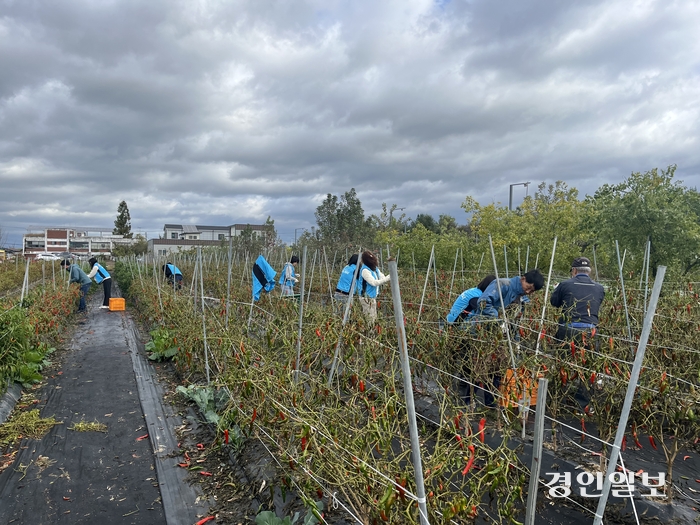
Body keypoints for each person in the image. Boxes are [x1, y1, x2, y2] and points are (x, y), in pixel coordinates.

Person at [467, 269, 544, 408]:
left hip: (502, 338)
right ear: (523, 279)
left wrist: (516, 342)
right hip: (485, 333)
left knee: (497, 370)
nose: (528, 292)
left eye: (532, 291)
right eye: (528, 287)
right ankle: (468, 401)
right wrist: (498, 319)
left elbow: (516, 322)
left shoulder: (522, 299)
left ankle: (490, 405)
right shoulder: (502, 284)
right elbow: (483, 303)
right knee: (479, 369)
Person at [550, 256, 605, 342]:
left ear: (574, 270)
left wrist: (557, 290)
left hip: (568, 328)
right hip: (591, 330)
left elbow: (554, 302)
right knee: (589, 355)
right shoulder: (599, 288)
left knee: (566, 353)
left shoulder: (565, 285)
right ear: (589, 272)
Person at [358, 251, 391, 323]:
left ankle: (372, 332)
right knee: (370, 318)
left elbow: (381, 276)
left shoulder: (375, 269)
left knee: (374, 317)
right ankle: (369, 332)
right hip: (366, 298)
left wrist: (385, 278)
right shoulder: (365, 270)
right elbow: (373, 283)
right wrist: (387, 278)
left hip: (372, 297)